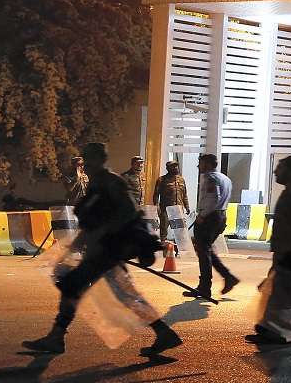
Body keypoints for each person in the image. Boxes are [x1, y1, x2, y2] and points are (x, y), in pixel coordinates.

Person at [23, 142, 180, 356]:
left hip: (107, 249)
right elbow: (93, 219)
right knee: (122, 293)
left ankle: (56, 337)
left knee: (73, 286)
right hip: (102, 249)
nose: (84, 165)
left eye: (87, 160)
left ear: (98, 160)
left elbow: (126, 215)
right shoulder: (99, 182)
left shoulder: (112, 182)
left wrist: (107, 238)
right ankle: (163, 332)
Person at [246, 155, 291, 343]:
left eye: (280, 168)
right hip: (284, 250)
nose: (276, 172)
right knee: (288, 289)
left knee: (281, 290)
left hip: (290, 251)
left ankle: (273, 330)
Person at [183, 154, 239, 300]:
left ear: (207, 164)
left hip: (209, 217)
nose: (198, 167)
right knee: (205, 250)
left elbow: (213, 198)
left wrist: (203, 215)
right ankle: (227, 277)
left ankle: (205, 287)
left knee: (203, 251)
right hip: (221, 216)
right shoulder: (224, 178)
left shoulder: (210, 179)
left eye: (200, 164)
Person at [152, 160, 190, 242]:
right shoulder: (161, 180)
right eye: (173, 166)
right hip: (166, 209)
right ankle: (163, 248)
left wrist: (187, 207)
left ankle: (179, 250)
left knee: (179, 231)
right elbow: (156, 195)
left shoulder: (181, 180)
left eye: (176, 166)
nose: (176, 168)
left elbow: (184, 194)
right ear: (168, 168)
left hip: (178, 209)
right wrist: (156, 206)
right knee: (163, 230)